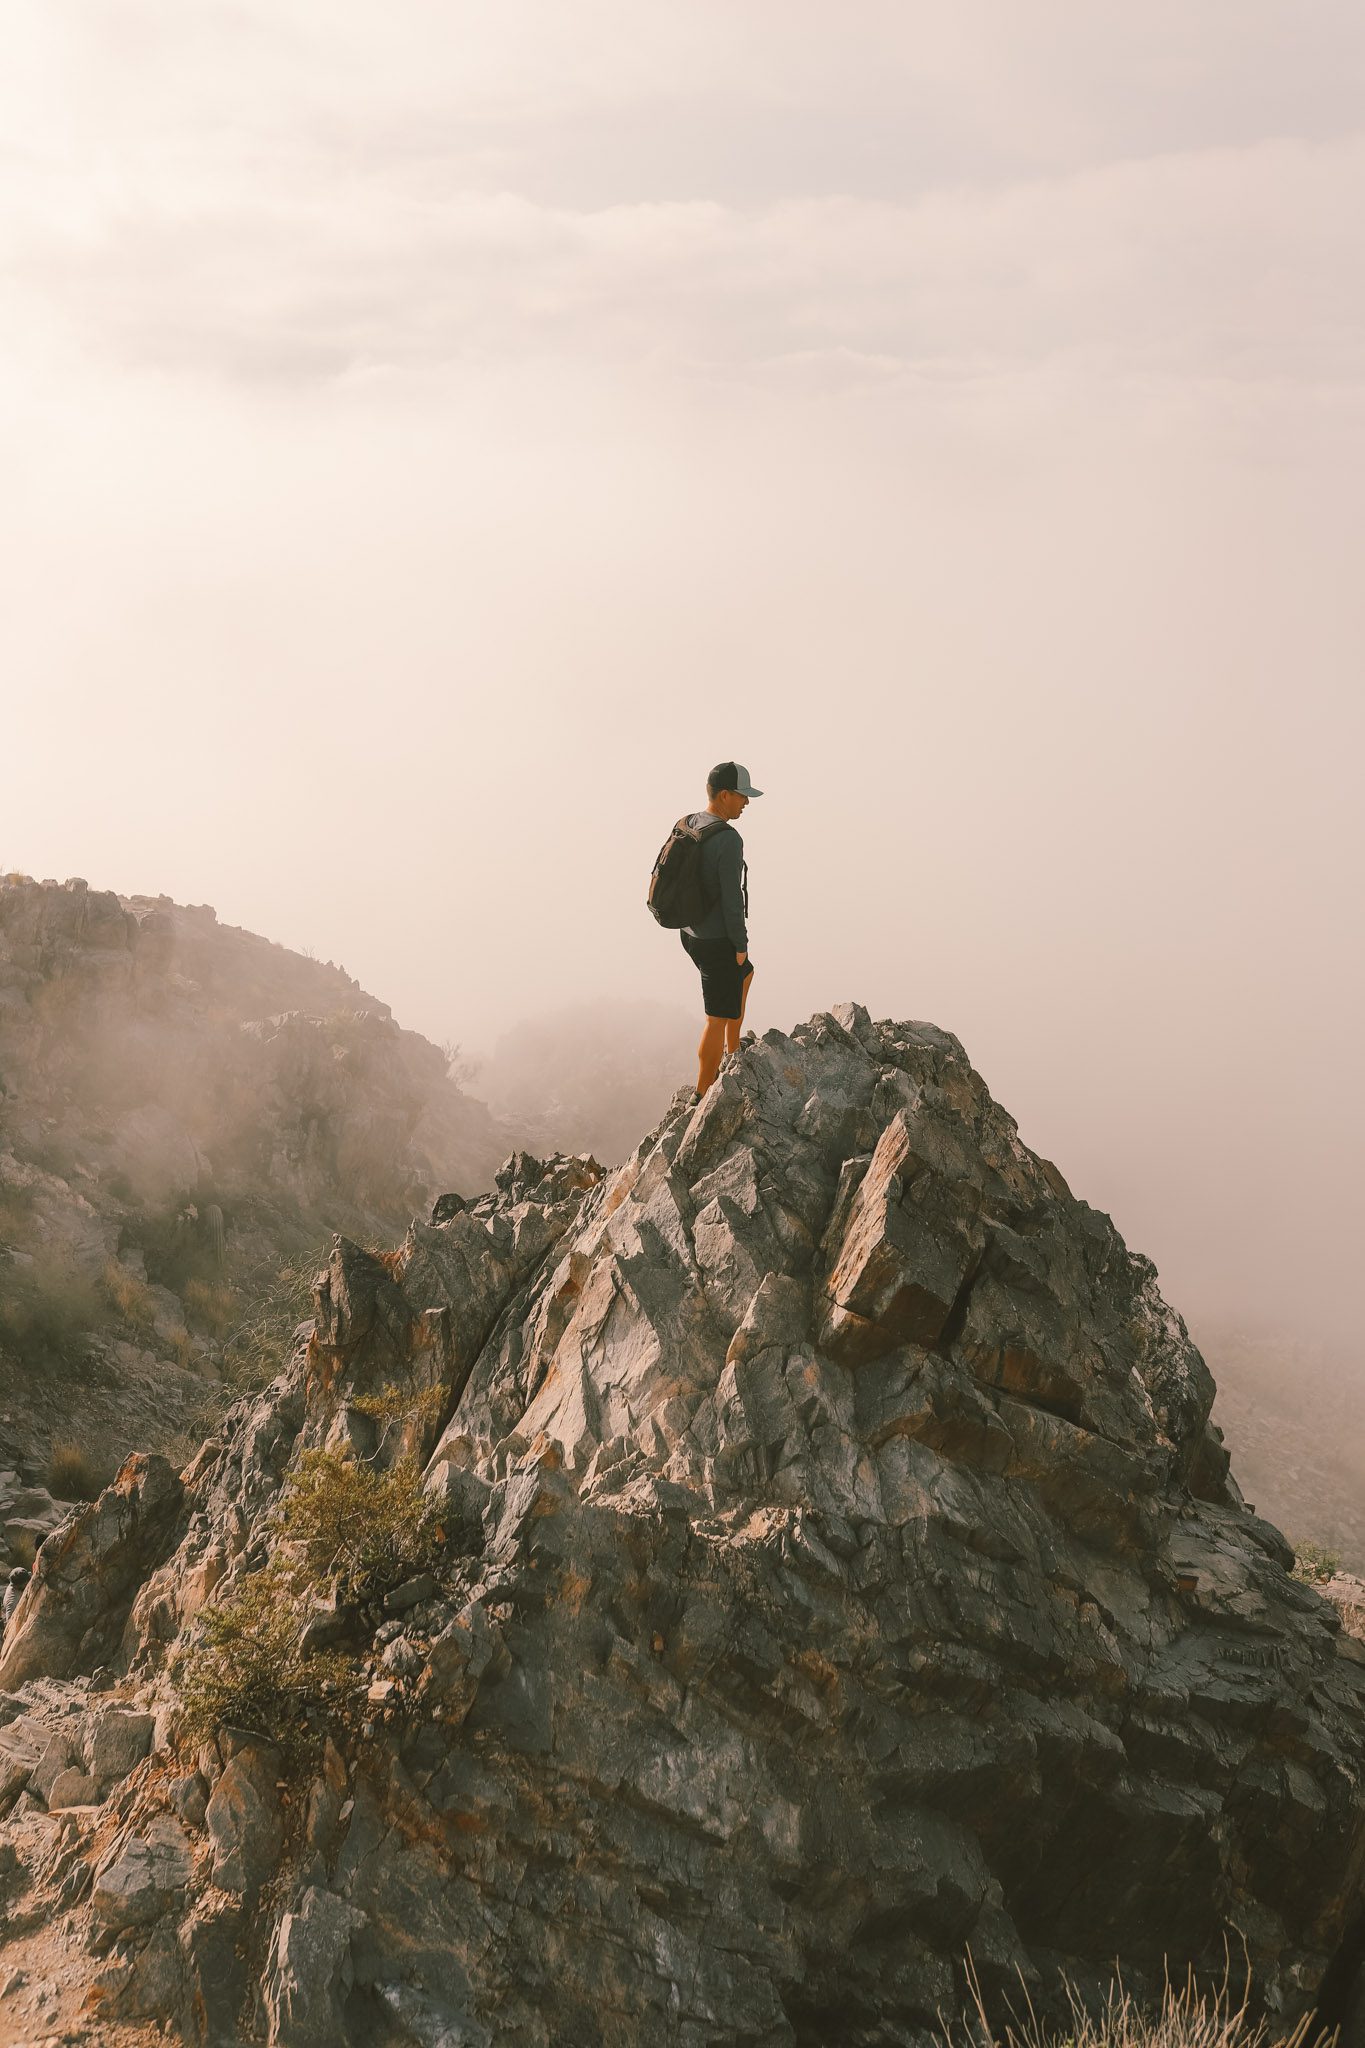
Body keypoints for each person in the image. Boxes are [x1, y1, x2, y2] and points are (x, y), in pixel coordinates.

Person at [680, 761, 762, 1097]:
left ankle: (733, 1050)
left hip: (690, 932)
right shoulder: (729, 839)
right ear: (725, 795)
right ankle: (703, 1093)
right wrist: (739, 945)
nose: (747, 802)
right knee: (715, 1015)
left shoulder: (690, 823)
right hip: (715, 939)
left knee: (745, 975)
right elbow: (732, 902)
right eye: (742, 795)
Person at [1, 1564, 29, 1635]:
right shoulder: (12, 1601)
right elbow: (10, 1626)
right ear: (18, 1585)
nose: (29, 1583)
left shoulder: (20, 1580)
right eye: (26, 1583)